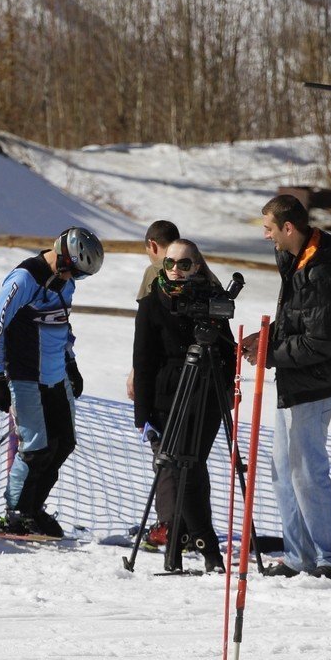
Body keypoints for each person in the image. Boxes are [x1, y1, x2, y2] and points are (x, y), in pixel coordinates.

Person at [241, 194, 331, 580]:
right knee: (281, 471)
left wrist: (270, 354)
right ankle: (298, 556)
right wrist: (264, 337)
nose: (265, 235)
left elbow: (320, 341)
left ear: (289, 228)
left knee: (307, 472)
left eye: (270, 228)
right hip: (294, 380)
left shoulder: (322, 272)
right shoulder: (297, 263)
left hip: (315, 382)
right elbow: (297, 323)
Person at [0, 226, 104, 537]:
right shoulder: (25, 279)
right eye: (73, 273)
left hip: (56, 374)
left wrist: (72, 364)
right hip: (24, 375)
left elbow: (63, 325)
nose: (72, 281)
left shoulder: (65, 284)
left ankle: (34, 508)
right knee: (36, 448)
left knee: (63, 444)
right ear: (63, 258)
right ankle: (15, 512)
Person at [133, 239, 232, 572]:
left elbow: (228, 350)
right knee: (177, 470)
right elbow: (143, 360)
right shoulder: (151, 303)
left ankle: (189, 547)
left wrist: (226, 394)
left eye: (184, 264)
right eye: (171, 263)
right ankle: (202, 549)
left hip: (205, 394)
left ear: (197, 266)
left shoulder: (212, 299)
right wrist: (142, 415)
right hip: (168, 397)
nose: (176, 270)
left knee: (193, 468)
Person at [128, 220, 182, 400]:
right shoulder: (198, 268)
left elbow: (144, 328)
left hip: (163, 366)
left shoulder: (154, 271)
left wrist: (136, 371)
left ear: (152, 245)